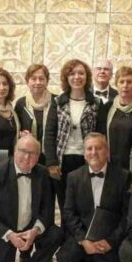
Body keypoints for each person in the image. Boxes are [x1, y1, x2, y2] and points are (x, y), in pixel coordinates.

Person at [0, 135, 63, 262]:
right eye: (23, 151)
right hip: (3, 230)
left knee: (55, 234)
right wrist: (9, 234)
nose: (27, 157)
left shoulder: (43, 174)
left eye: (33, 153)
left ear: (38, 156)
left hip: (29, 227)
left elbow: (47, 210)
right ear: (14, 151)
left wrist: (35, 230)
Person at [57, 133, 131, 262]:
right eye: (89, 148)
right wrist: (83, 240)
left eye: (98, 148)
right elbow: (68, 212)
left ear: (107, 152)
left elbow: (127, 215)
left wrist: (111, 241)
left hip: (108, 241)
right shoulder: (74, 177)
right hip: (85, 238)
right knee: (64, 257)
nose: (93, 152)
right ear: (84, 153)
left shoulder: (123, 176)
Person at [44, 59, 98, 209]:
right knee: (64, 203)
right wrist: (52, 163)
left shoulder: (95, 103)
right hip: (63, 160)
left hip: (86, 159)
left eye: (81, 73)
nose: (77, 77)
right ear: (66, 78)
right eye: (72, 73)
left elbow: (100, 135)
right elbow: (49, 134)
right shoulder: (57, 102)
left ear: (87, 77)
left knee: (84, 203)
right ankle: (65, 232)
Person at [95, 65, 132, 171]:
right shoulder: (107, 107)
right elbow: (101, 136)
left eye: (129, 82)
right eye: (121, 82)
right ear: (116, 84)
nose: (125, 85)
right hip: (111, 164)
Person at [14, 64, 54, 165]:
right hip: (28, 156)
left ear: (47, 81)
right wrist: (21, 134)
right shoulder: (21, 103)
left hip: (52, 156)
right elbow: (16, 129)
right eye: (33, 79)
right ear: (27, 81)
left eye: (41, 79)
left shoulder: (56, 102)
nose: (38, 82)